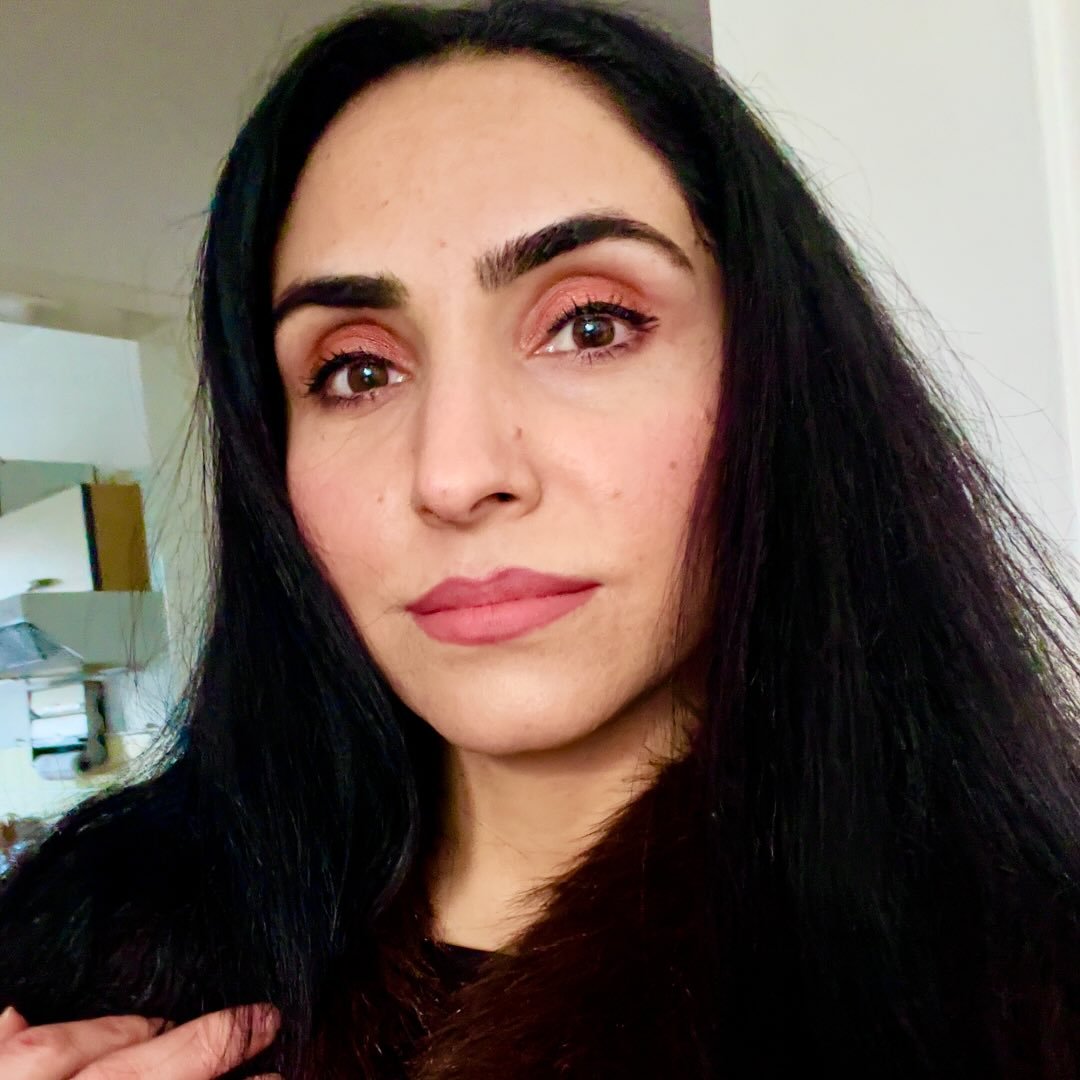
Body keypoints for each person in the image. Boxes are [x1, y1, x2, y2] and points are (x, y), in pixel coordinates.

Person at [2, 0, 1079, 1075]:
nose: (455, 474)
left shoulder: (1021, 980)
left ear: (776, 374)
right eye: (358, 371)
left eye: (591, 326)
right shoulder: (83, 946)